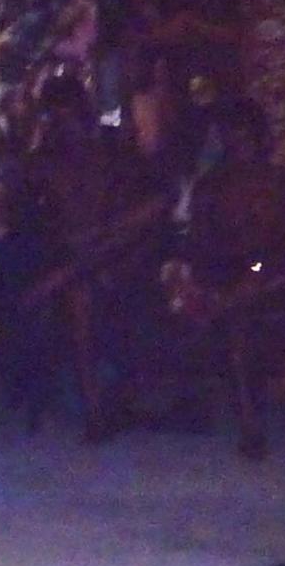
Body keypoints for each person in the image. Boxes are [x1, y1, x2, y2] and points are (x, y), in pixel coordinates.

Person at [14, 74, 169, 442]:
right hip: (71, 261)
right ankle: (93, 407)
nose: (65, 128)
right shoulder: (42, 165)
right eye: (55, 119)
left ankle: (116, 398)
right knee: (76, 295)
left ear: (84, 114)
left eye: (69, 117)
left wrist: (107, 233)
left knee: (86, 280)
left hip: (118, 257)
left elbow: (158, 201)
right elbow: (25, 223)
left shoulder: (115, 155)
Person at [165, 97, 285, 459]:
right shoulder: (210, 188)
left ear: (262, 140)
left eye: (246, 139)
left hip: (279, 276)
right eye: (232, 140)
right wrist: (193, 280)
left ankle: (250, 426)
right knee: (225, 310)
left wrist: (258, 272)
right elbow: (199, 246)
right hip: (226, 276)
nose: (239, 149)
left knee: (242, 304)